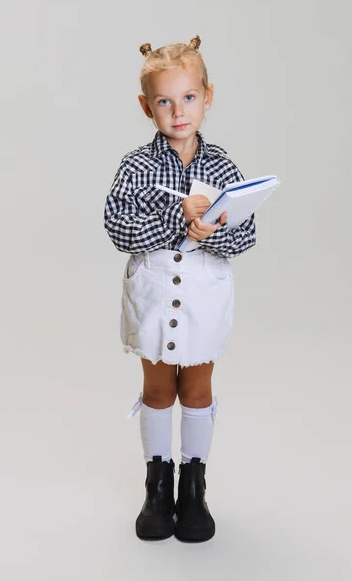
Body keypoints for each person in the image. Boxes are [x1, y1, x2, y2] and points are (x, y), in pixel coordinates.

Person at [104, 35, 256, 542]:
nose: (178, 111)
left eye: (188, 98)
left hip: (202, 295)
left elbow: (247, 232)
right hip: (152, 293)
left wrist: (215, 227)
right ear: (147, 107)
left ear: (207, 97)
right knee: (157, 386)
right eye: (165, 102)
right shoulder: (136, 166)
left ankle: (193, 490)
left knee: (195, 386)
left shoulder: (221, 166)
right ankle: (157, 487)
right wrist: (176, 215)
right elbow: (118, 226)